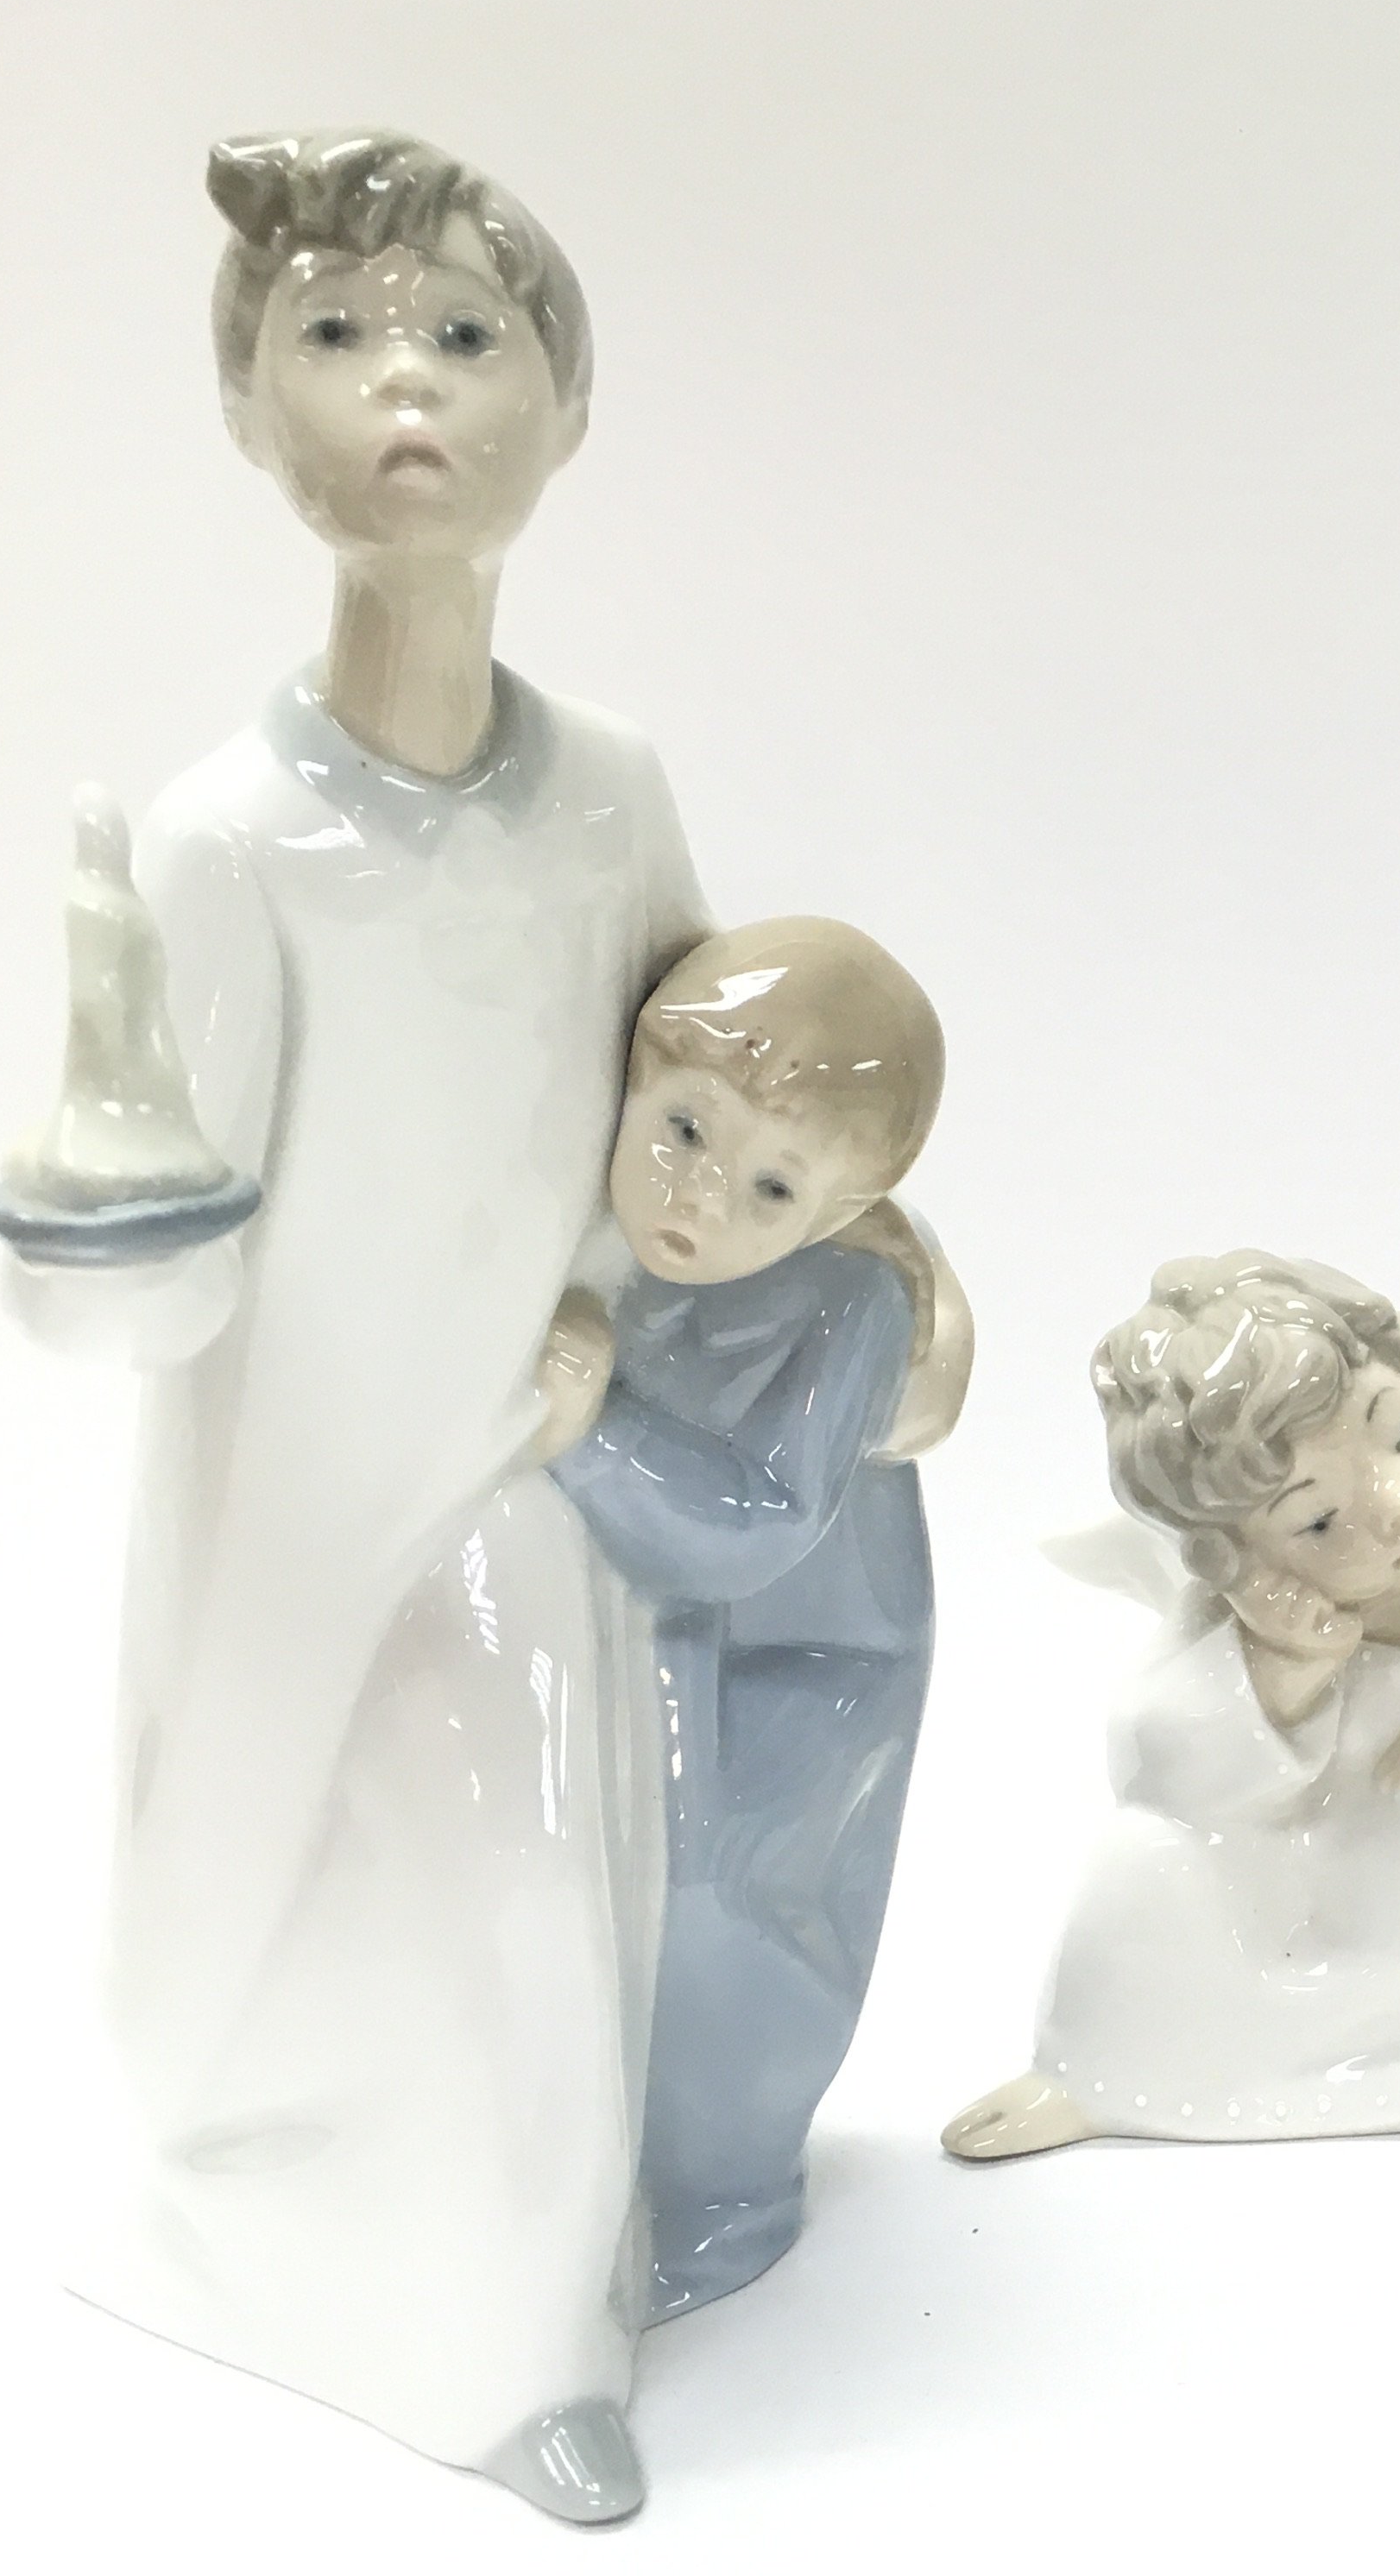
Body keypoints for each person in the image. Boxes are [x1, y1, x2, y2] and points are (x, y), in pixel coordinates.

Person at [2, 131, 707, 2521]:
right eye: (334, 334)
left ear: (563, 412)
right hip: (299, 1489)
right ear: (252, 413)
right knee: (283, 1896)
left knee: (531, 1888)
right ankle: (310, 2251)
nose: (405, 381)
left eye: (467, 335)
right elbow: (146, 1291)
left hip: (530, 1452)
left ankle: (511, 2322)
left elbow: (684, 1107)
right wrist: (99, 1174)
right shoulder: (226, 840)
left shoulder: (611, 796)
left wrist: (669, 1307)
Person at [943, 1252, 1400, 2162]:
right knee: (1146, 1861)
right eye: (1320, 1521)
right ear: (1236, 1557)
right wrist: (1281, 1674)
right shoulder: (1241, 1619)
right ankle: (1107, 2073)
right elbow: (1158, 1768)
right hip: (1309, 1879)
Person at [540, 918, 962, 2320]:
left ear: (841, 1212)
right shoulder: (578, 1220)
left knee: (722, 1901)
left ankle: (724, 2190)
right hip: (647, 1629)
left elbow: (758, 1525)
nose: (701, 1198)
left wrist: (593, 1430)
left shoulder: (852, 1306)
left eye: (772, 1185)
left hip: (802, 1668)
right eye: (683, 1130)